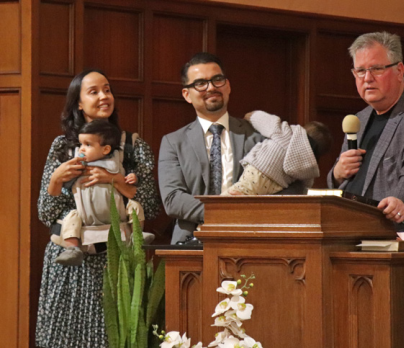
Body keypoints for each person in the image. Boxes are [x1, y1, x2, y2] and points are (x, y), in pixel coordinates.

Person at [36, 69, 161, 347]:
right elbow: (45, 214)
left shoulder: (132, 147)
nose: (104, 96)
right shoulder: (63, 147)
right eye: (94, 92)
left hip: (116, 258)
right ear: (78, 103)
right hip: (70, 261)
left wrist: (114, 180)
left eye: (107, 89)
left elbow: (151, 206)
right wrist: (56, 179)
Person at [158, 52, 304, 245]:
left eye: (217, 80)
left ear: (228, 86)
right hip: (191, 244)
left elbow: (291, 185)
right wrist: (224, 213)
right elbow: (172, 199)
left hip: (251, 240)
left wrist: (248, 214)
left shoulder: (257, 134)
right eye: (200, 83)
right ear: (187, 94)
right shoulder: (173, 142)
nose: (211, 88)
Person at [327, 31, 404, 250]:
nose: (367, 78)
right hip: (356, 238)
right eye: (360, 71)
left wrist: (401, 199)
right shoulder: (359, 120)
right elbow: (345, 180)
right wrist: (337, 174)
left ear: (399, 70)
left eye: (376, 69)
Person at [52, 120, 150, 266]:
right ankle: (72, 249)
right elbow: (61, 191)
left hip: (117, 214)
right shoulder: (76, 165)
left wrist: (132, 178)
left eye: (88, 145)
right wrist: (59, 177)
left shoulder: (117, 162)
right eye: (81, 145)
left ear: (105, 150)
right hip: (86, 215)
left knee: (135, 207)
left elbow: (132, 185)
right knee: (71, 218)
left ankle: (137, 234)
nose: (82, 150)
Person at [224, 110, 332, 195]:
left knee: (227, 198)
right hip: (275, 186)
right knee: (248, 195)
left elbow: (269, 122)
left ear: (302, 131)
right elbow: (305, 187)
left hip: (259, 170)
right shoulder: (309, 167)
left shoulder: (288, 135)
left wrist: (252, 116)